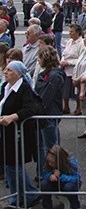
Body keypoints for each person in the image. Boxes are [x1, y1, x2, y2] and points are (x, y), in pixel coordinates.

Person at [0, 60, 41, 208]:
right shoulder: (6, 87)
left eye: (10, 70)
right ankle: (21, 195)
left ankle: (25, 196)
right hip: (5, 133)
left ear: (18, 74)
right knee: (10, 166)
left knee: (13, 166)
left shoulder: (24, 88)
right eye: (6, 69)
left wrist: (12, 117)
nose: (6, 72)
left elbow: (30, 109)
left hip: (17, 133)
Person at [35, 46, 66, 171]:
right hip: (44, 115)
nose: (38, 60)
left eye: (40, 57)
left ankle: (52, 172)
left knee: (51, 147)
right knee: (42, 146)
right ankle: (43, 172)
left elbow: (46, 97)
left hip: (49, 115)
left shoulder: (54, 76)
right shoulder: (45, 74)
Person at [60, 23, 86, 114]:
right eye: (69, 31)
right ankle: (66, 106)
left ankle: (78, 107)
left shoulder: (82, 44)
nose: (70, 33)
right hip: (66, 70)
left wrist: (68, 62)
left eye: (72, 32)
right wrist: (63, 61)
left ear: (78, 33)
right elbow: (64, 54)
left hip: (75, 70)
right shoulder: (69, 42)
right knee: (65, 90)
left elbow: (80, 58)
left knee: (76, 91)